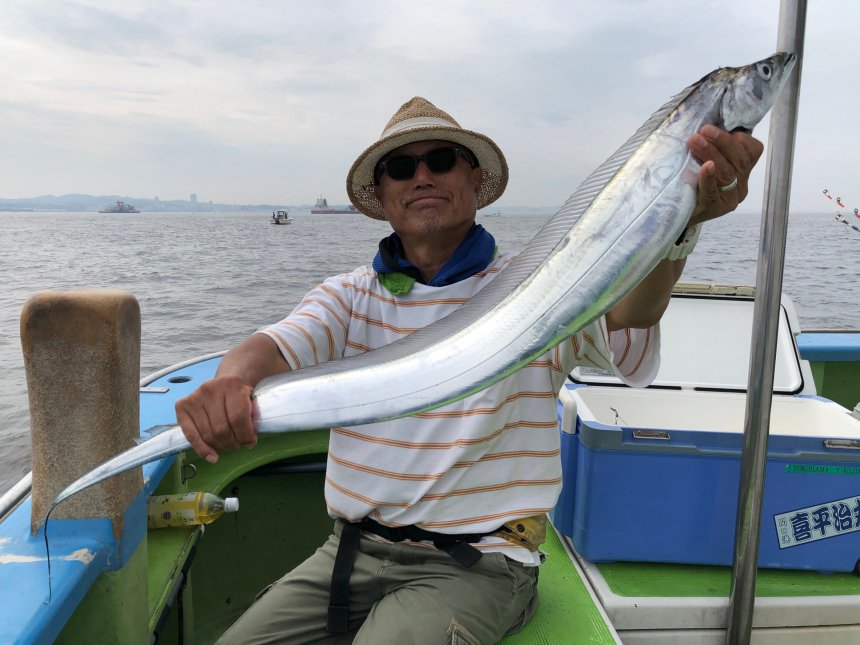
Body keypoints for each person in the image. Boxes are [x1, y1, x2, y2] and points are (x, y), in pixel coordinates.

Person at [176, 97, 762, 644]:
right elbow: (273, 348)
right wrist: (230, 381)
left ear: (474, 180)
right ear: (382, 195)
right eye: (400, 168)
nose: (421, 176)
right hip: (347, 552)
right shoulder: (350, 296)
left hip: (477, 563)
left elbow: (633, 313)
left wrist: (682, 225)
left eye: (440, 160)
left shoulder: (542, 289)